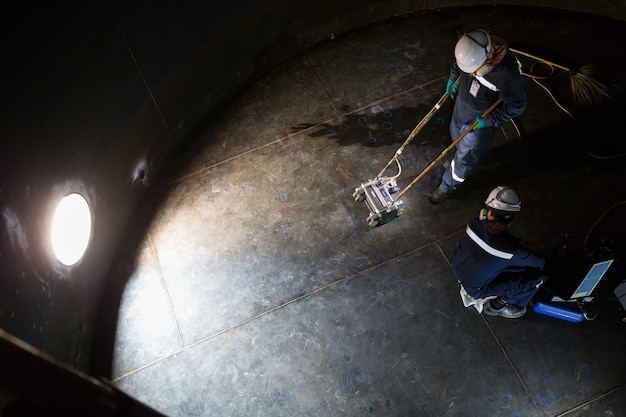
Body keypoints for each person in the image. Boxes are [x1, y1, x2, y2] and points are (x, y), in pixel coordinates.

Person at [430, 29, 527, 204]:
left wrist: (489, 121)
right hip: (462, 105)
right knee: (456, 137)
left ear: (487, 60)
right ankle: (455, 161)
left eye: (473, 71)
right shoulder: (471, 46)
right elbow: (460, 63)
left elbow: (517, 105)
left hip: (480, 119)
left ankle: (447, 186)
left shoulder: (507, 77)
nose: (469, 74)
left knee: (467, 157)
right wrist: (453, 76)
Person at [451, 186, 546, 319]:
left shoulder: (473, 225)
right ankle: (498, 306)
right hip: (476, 290)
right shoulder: (512, 250)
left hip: (458, 267)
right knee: (535, 281)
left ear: (488, 213)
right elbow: (540, 262)